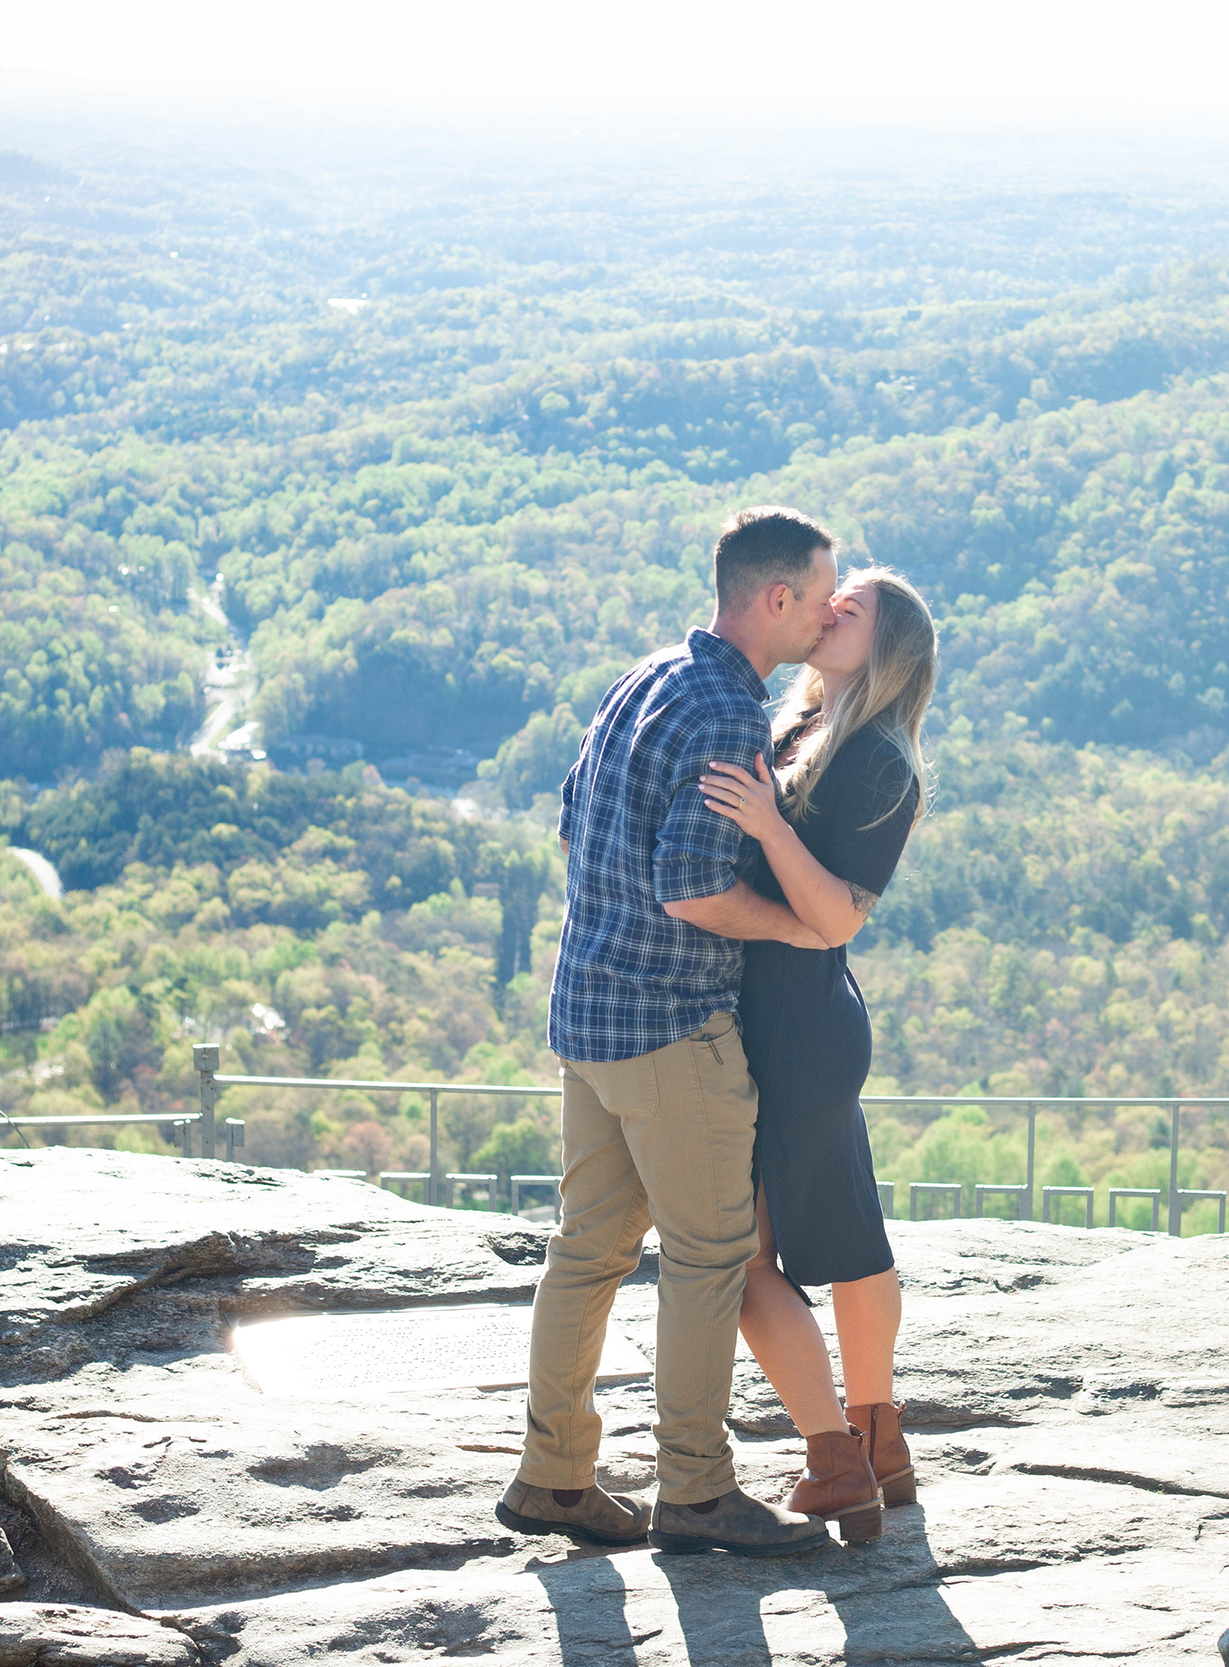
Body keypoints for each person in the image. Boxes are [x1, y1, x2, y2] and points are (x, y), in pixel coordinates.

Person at [498, 506, 842, 1559]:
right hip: (670, 1025)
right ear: (775, 598)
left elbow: (571, 821)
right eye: (822, 598)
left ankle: (553, 1473)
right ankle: (694, 1488)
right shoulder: (726, 714)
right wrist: (797, 925)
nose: (830, 617)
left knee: (587, 1247)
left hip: (587, 1014)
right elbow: (692, 889)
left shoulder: (644, 677)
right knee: (710, 1253)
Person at [696, 567, 937, 1546]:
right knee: (838, 1235)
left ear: (887, 651)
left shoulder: (880, 761)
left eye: (852, 610)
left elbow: (837, 912)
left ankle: (837, 1454)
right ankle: (877, 1449)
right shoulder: (799, 730)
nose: (829, 611)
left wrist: (761, 823)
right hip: (782, 1020)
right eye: (831, 601)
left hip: (794, 1028)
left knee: (752, 1251)